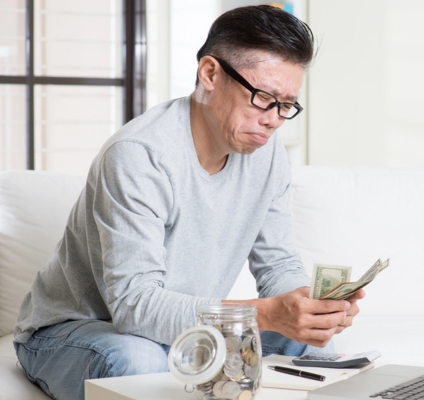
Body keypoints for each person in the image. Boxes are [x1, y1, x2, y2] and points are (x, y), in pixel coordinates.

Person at [13, 5, 365, 400]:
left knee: (309, 344)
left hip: (186, 331)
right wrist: (265, 315)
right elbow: (135, 307)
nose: (273, 120)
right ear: (210, 73)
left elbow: (278, 262)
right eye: (264, 97)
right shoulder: (139, 155)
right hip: (81, 330)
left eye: (286, 105)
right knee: (138, 361)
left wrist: (306, 307)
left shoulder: (265, 152)